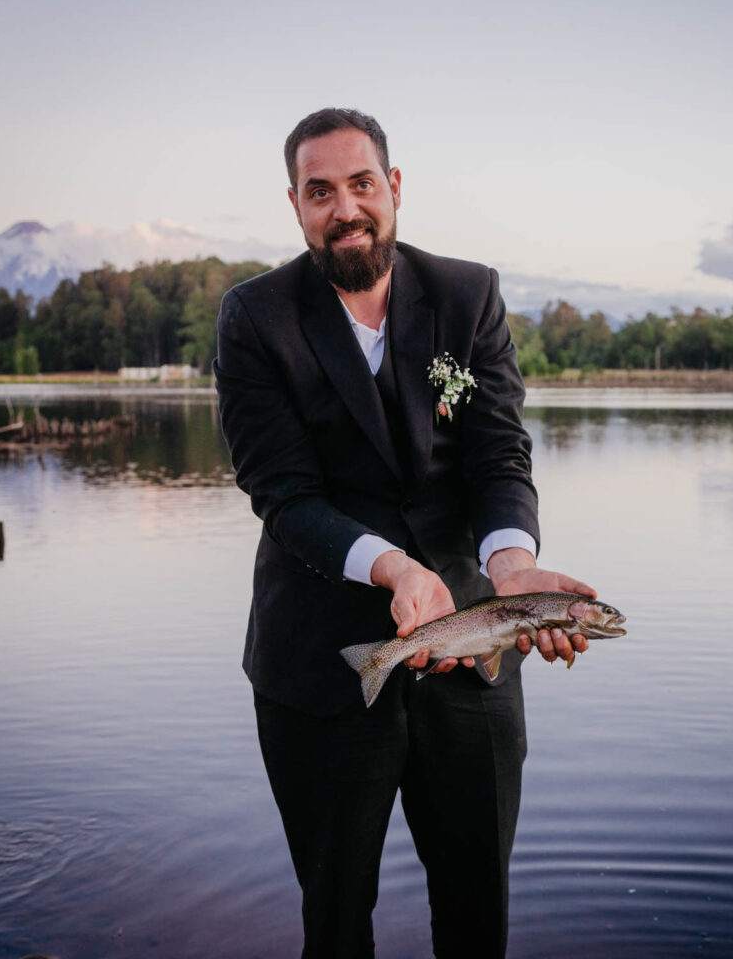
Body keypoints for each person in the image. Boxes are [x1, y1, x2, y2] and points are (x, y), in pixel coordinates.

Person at [214, 107, 595, 959]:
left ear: (393, 188)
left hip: (476, 646)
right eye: (320, 192)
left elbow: (499, 452)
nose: (343, 207)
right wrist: (391, 570)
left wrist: (512, 565)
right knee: (337, 920)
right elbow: (282, 492)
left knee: (476, 918)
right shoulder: (255, 318)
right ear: (296, 206)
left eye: (359, 184)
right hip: (320, 664)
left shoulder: (468, 293)